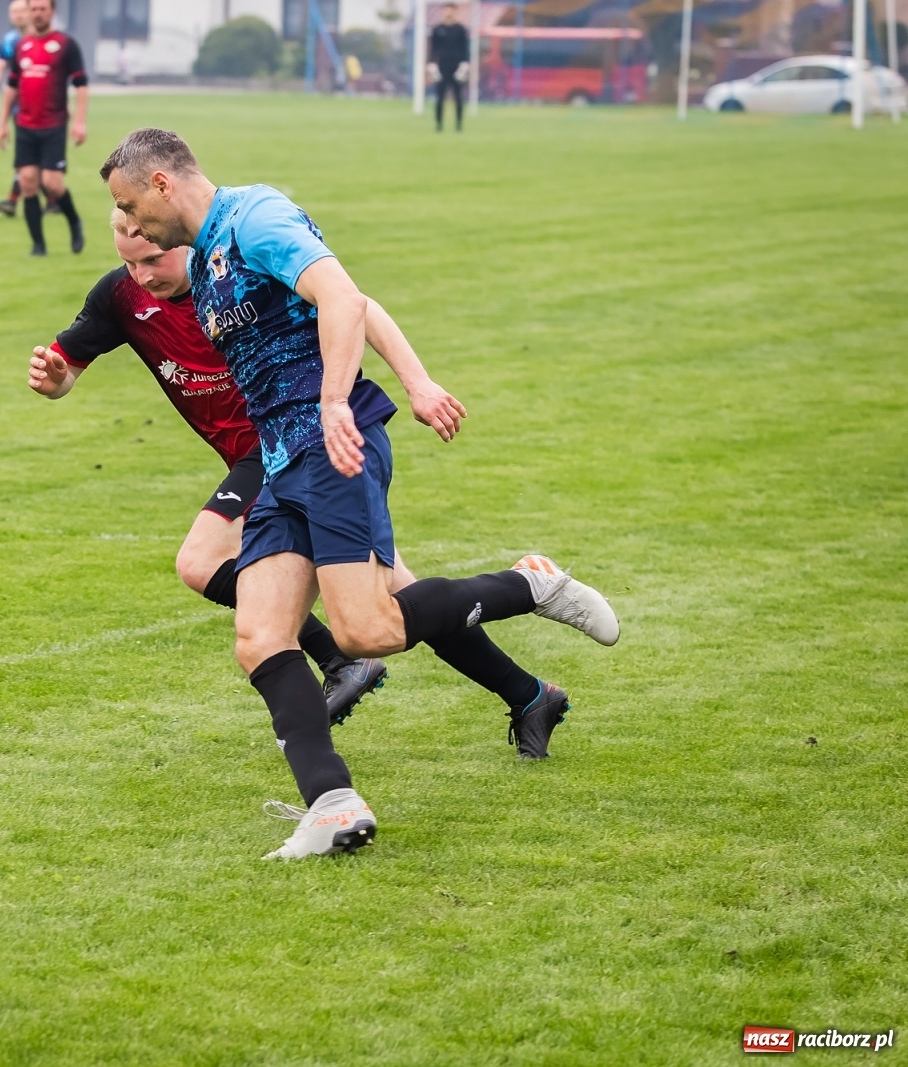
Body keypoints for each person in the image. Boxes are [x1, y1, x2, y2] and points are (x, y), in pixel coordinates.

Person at [100, 128, 620, 860]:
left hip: (329, 444)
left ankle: (527, 583)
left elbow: (342, 296)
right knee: (260, 638)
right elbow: (353, 301)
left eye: (129, 206)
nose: (130, 225)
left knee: (364, 631)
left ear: (160, 182)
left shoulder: (253, 217)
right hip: (282, 461)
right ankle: (333, 805)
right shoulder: (209, 259)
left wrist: (344, 399)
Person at [29, 209, 390, 725]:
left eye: (154, 257)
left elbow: (350, 303)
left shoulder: (232, 272)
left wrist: (411, 382)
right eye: (130, 265)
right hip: (267, 455)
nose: (144, 275)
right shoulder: (123, 298)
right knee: (393, 590)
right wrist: (55, 378)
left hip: (288, 440)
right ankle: (529, 692)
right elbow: (65, 371)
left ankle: (342, 661)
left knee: (200, 562)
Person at [0, 0, 88, 256]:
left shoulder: (66, 45)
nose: (37, 13)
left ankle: (74, 222)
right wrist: (3, 122)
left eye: (42, 9)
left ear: (52, 12)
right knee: (27, 182)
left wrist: (80, 121)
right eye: (33, 9)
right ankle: (38, 246)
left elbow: (81, 84)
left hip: (54, 125)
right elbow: (12, 86)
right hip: (25, 125)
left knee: (52, 184)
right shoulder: (21, 46)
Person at [0, 0, 28, 218]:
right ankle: (16, 200)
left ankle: (53, 197)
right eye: (14, 12)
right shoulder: (11, 40)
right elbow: (0, 65)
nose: (18, 15)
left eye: (21, 10)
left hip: (46, 108)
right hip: (20, 107)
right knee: (27, 158)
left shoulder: (45, 38)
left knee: (35, 161)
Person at [427, 3, 469, 132]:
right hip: (442, 67)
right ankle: (439, 126)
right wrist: (431, 63)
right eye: (446, 10)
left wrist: (465, 64)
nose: (448, 12)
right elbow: (433, 49)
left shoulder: (461, 29)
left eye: (451, 10)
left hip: (456, 67)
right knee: (440, 97)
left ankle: (458, 125)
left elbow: (465, 49)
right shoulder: (437, 29)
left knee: (458, 97)